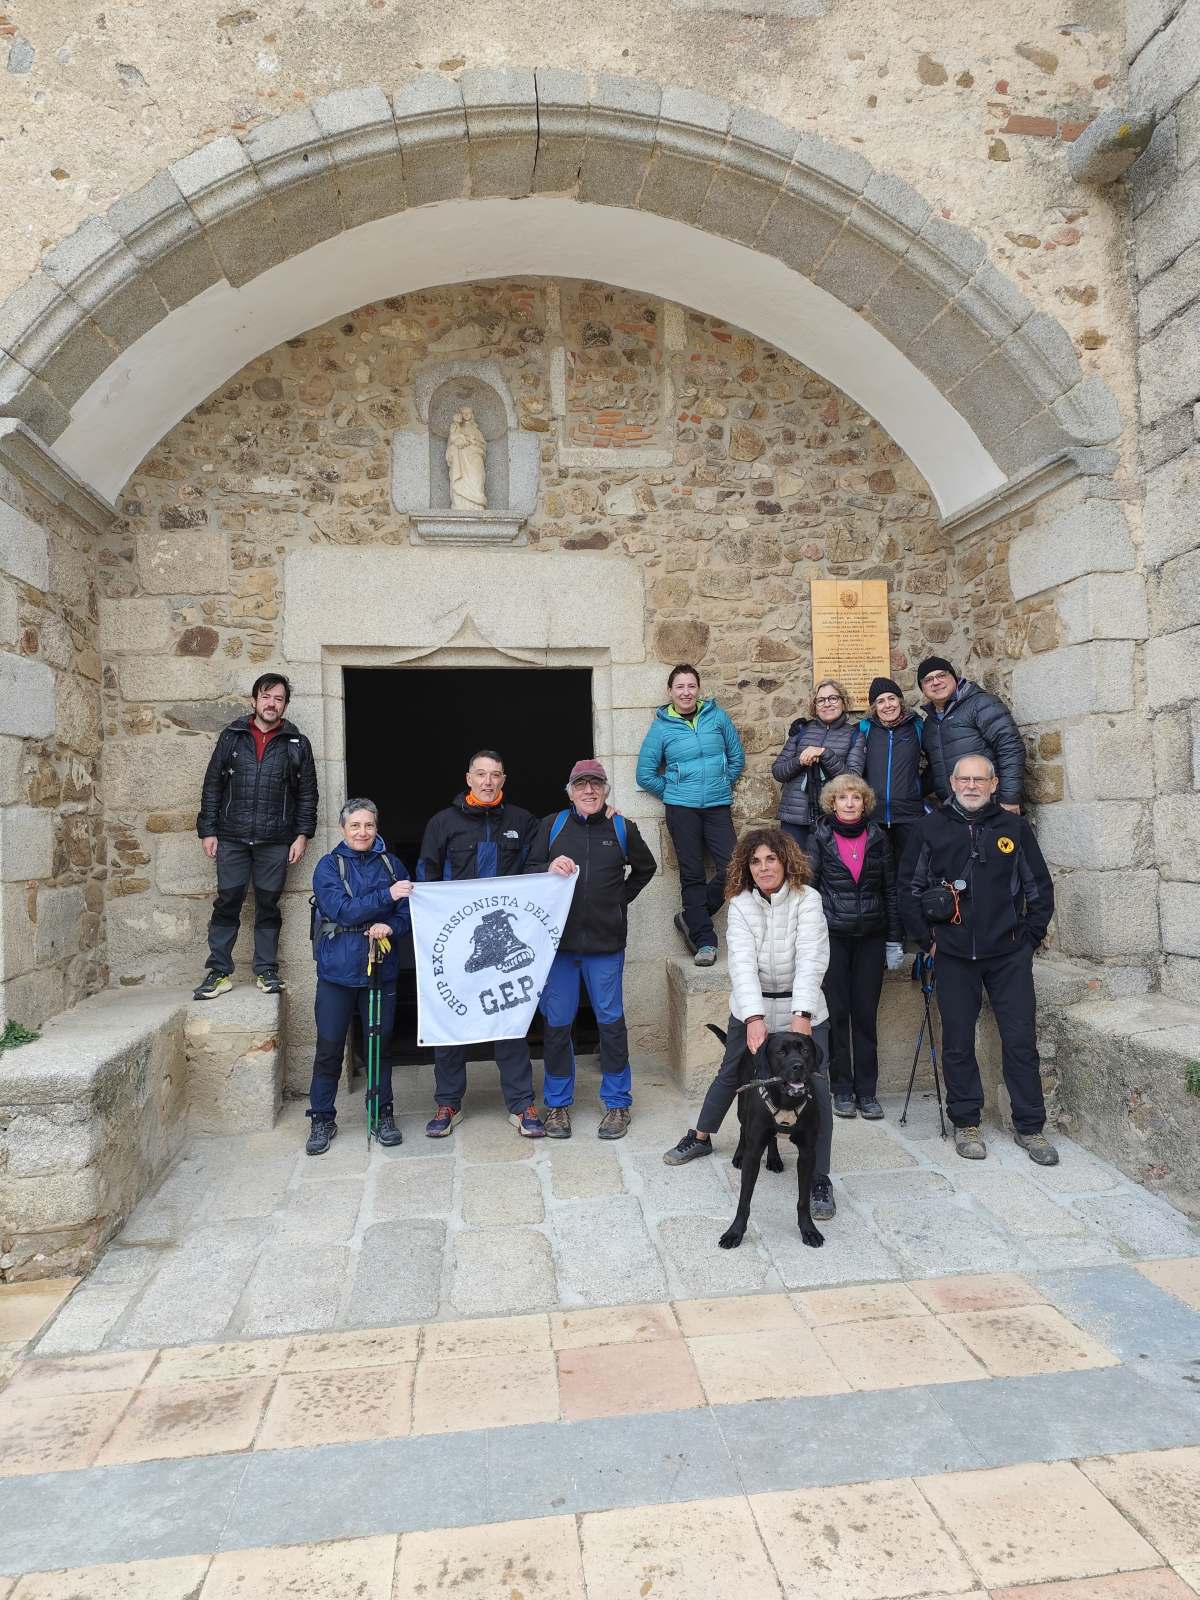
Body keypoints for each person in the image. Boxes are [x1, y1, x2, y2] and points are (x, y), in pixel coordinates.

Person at [662, 827, 838, 1224]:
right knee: (731, 1071)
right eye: (755, 861)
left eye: (770, 859)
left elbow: (812, 958)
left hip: (803, 1005)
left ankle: (820, 1179)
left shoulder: (808, 901)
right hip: (753, 1003)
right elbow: (740, 964)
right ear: (746, 866)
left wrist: (802, 1015)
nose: (763, 868)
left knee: (818, 1085)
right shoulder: (740, 904)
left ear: (785, 860)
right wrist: (754, 1017)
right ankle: (701, 1137)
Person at [899, 753, 1058, 1166]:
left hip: (1008, 955)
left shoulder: (1013, 828)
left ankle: (1030, 1125)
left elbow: (1038, 887)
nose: (971, 786)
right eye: (964, 779)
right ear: (952, 783)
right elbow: (908, 889)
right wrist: (927, 940)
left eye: (979, 780)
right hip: (952, 954)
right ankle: (966, 1120)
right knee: (957, 1042)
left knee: (1021, 1040)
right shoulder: (929, 828)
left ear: (993, 784)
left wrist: (1028, 938)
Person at [417, 749, 546, 1139]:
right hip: (460, 943)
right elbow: (426, 873)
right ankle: (449, 1103)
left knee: (509, 1016)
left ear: (503, 780)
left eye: (495, 775)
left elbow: (535, 871)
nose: (488, 782)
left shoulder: (522, 821)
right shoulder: (443, 823)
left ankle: (521, 1104)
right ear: (468, 778)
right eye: (481, 774)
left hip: (507, 942)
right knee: (452, 1020)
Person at [527, 759, 658, 1140]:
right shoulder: (551, 826)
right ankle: (557, 1105)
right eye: (581, 785)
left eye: (596, 785)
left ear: (605, 791)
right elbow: (529, 866)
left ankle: (618, 1103)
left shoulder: (622, 828)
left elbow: (646, 869)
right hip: (559, 948)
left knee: (611, 1024)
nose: (589, 791)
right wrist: (550, 865)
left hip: (605, 946)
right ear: (569, 791)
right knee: (556, 1026)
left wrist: (619, 901)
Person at [193, 673, 318, 1000]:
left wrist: (302, 834)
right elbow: (213, 786)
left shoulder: (297, 744)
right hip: (231, 837)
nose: (271, 703)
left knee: (267, 905)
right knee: (228, 902)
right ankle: (219, 971)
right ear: (254, 700)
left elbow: (307, 794)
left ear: (285, 705)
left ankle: (266, 970)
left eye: (278, 698)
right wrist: (208, 830)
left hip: (275, 841)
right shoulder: (232, 736)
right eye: (266, 696)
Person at [305, 799, 412, 1156]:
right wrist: (387, 896)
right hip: (337, 972)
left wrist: (390, 925)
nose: (362, 832)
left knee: (379, 1048)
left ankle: (382, 1113)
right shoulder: (328, 867)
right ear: (343, 829)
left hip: (380, 972)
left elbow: (406, 912)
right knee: (330, 1047)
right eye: (355, 826)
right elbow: (342, 911)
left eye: (368, 825)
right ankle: (321, 1117)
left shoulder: (390, 863)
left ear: (376, 827)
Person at [807, 773, 906, 1121]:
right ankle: (842, 1088)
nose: (850, 804)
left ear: (865, 804)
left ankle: (868, 1091)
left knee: (865, 1016)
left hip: (871, 937)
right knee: (837, 1015)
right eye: (843, 798)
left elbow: (891, 891)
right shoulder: (819, 837)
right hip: (833, 936)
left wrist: (895, 939)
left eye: (856, 798)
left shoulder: (879, 838)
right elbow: (809, 890)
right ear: (832, 803)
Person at [635, 663, 745, 969]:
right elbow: (645, 774)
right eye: (679, 687)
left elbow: (736, 757)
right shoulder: (661, 727)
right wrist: (673, 793)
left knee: (735, 868)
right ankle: (705, 941)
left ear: (699, 689)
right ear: (670, 692)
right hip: (682, 810)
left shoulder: (716, 717)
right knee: (692, 874)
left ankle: (691, 916)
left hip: (717, 806)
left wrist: (723, 782)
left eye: (691, 686)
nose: (686, 692)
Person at [916, 657, 1024, 814]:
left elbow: (1010, 747)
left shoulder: (982, 704)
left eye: (942, 675)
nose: (936, 682)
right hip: (955, 810)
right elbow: (937, 766)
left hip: (991, 805)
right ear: (923, 689)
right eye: (928, 680)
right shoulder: (930, 724)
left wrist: (1009, 798)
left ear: (954, 677)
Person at [771, 678, 865, 854]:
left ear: (843, 702)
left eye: (833, 698)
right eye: (821, 700)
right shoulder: (801, 731)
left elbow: (853, 779)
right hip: (794, 818)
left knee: (828, 874)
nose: (827, 704)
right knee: (795, 871)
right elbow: (778, 771)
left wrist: (824, 753)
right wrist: (800, 760)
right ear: (814, 706)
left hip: (831, 818)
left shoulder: (855, 736)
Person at [856, 675, 929, 870]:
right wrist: (805, 727)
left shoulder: (917, 726)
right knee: (877, 874)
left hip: (909, 815)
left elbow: (937, 761)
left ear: (900, 701)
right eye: (880, 701)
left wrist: (918, 789)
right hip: (874, 815)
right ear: (874, 707)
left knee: (910, 873)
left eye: (891, 698)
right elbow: (838, 746)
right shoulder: (864, 729)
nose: (887, 705)